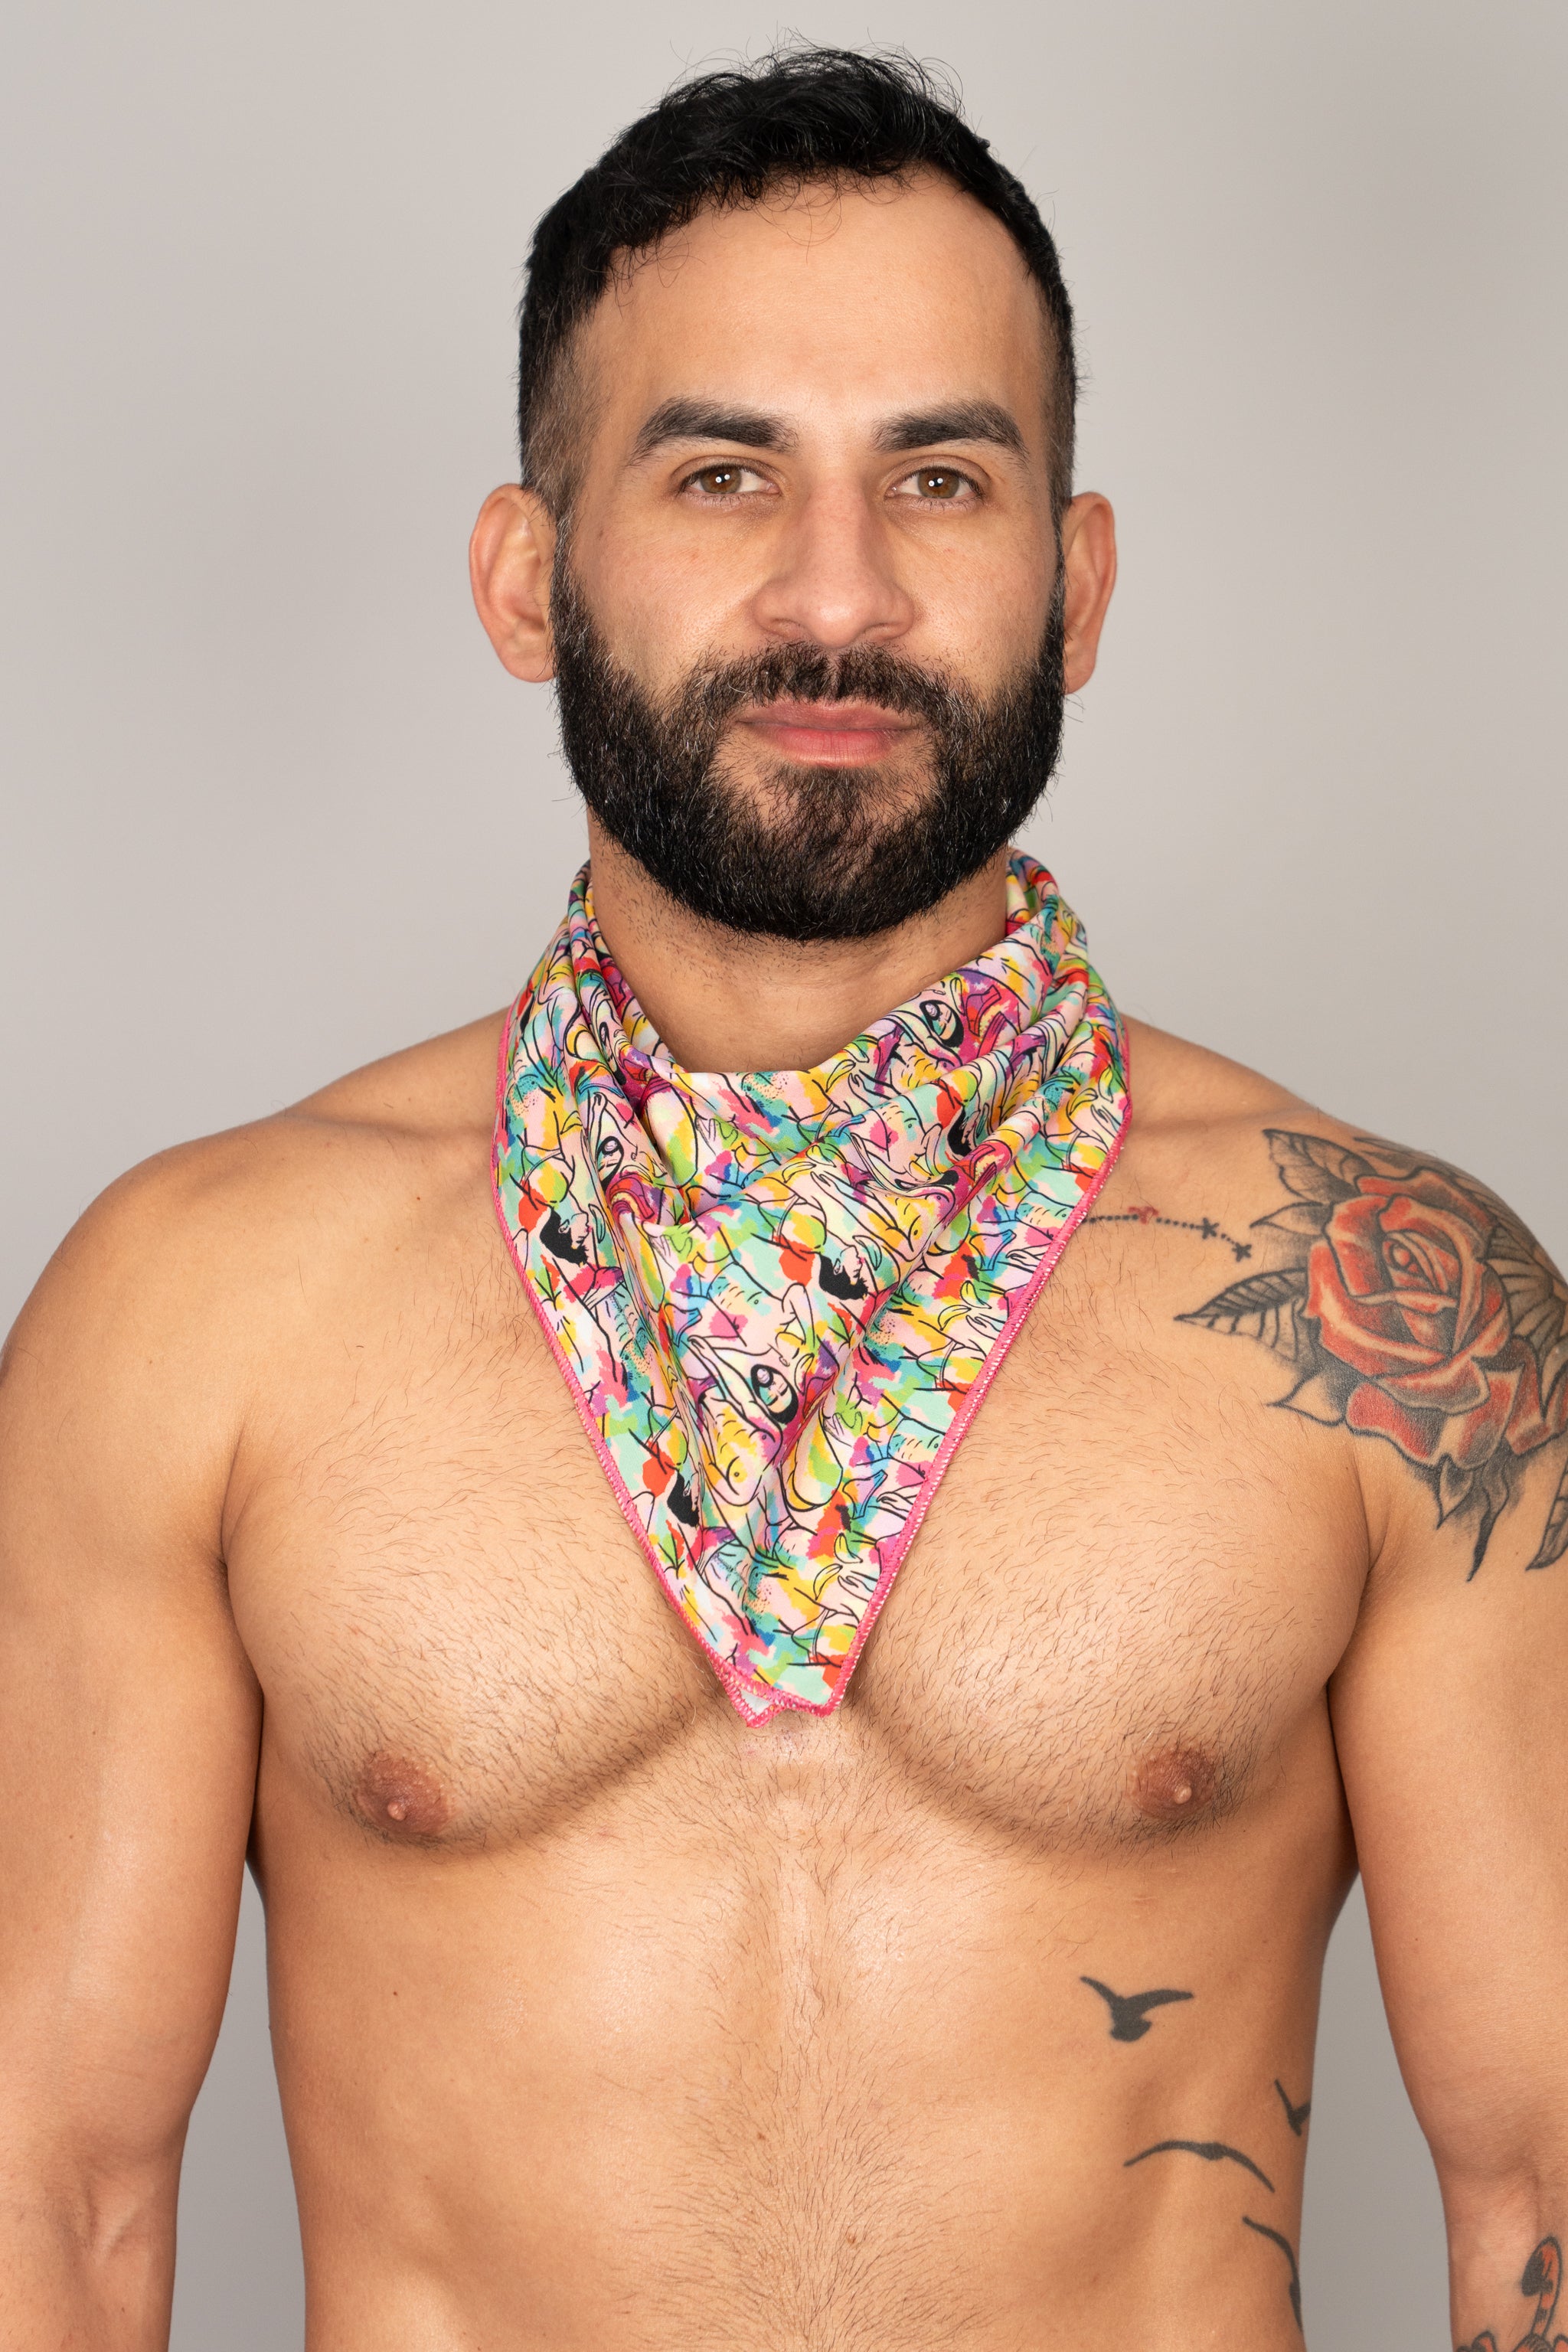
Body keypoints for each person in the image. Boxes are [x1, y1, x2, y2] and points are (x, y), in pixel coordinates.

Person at [2, 44, 1564, 2352]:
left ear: (1078, 582)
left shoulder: (1402, 1317)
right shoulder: (195, 1307)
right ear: (527, 577)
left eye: (941, 476)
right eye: (723, 473)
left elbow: (1540, 2185)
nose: (840, 591)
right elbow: (54, 2202)